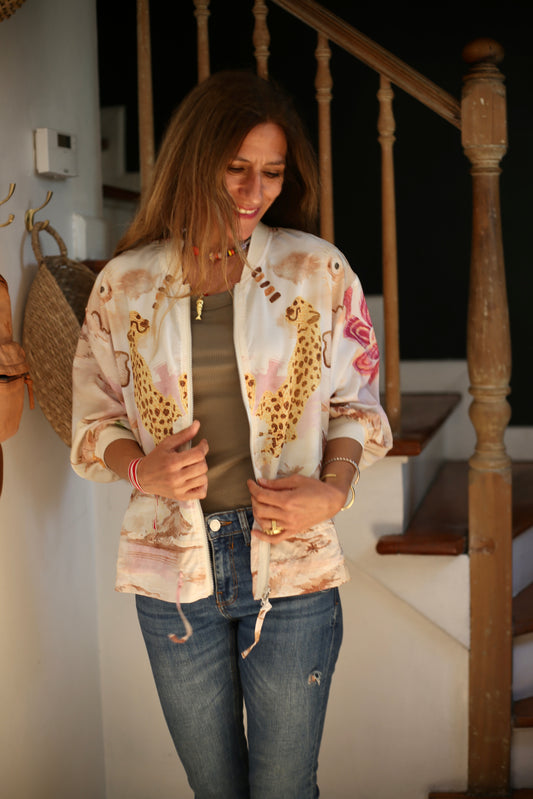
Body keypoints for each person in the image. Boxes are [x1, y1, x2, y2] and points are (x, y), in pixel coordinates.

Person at [71, 70, 392, 799]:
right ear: (194, 163)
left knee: (285, 788)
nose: (254, 191)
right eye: (236, 168)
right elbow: (95, 419)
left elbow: (357, 403)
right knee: (213, 789)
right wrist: (141, 470)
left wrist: (333, 491)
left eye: (272, 172)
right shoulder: (125, 284)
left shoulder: (317, 270)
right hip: (172, 573)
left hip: (291, 565)